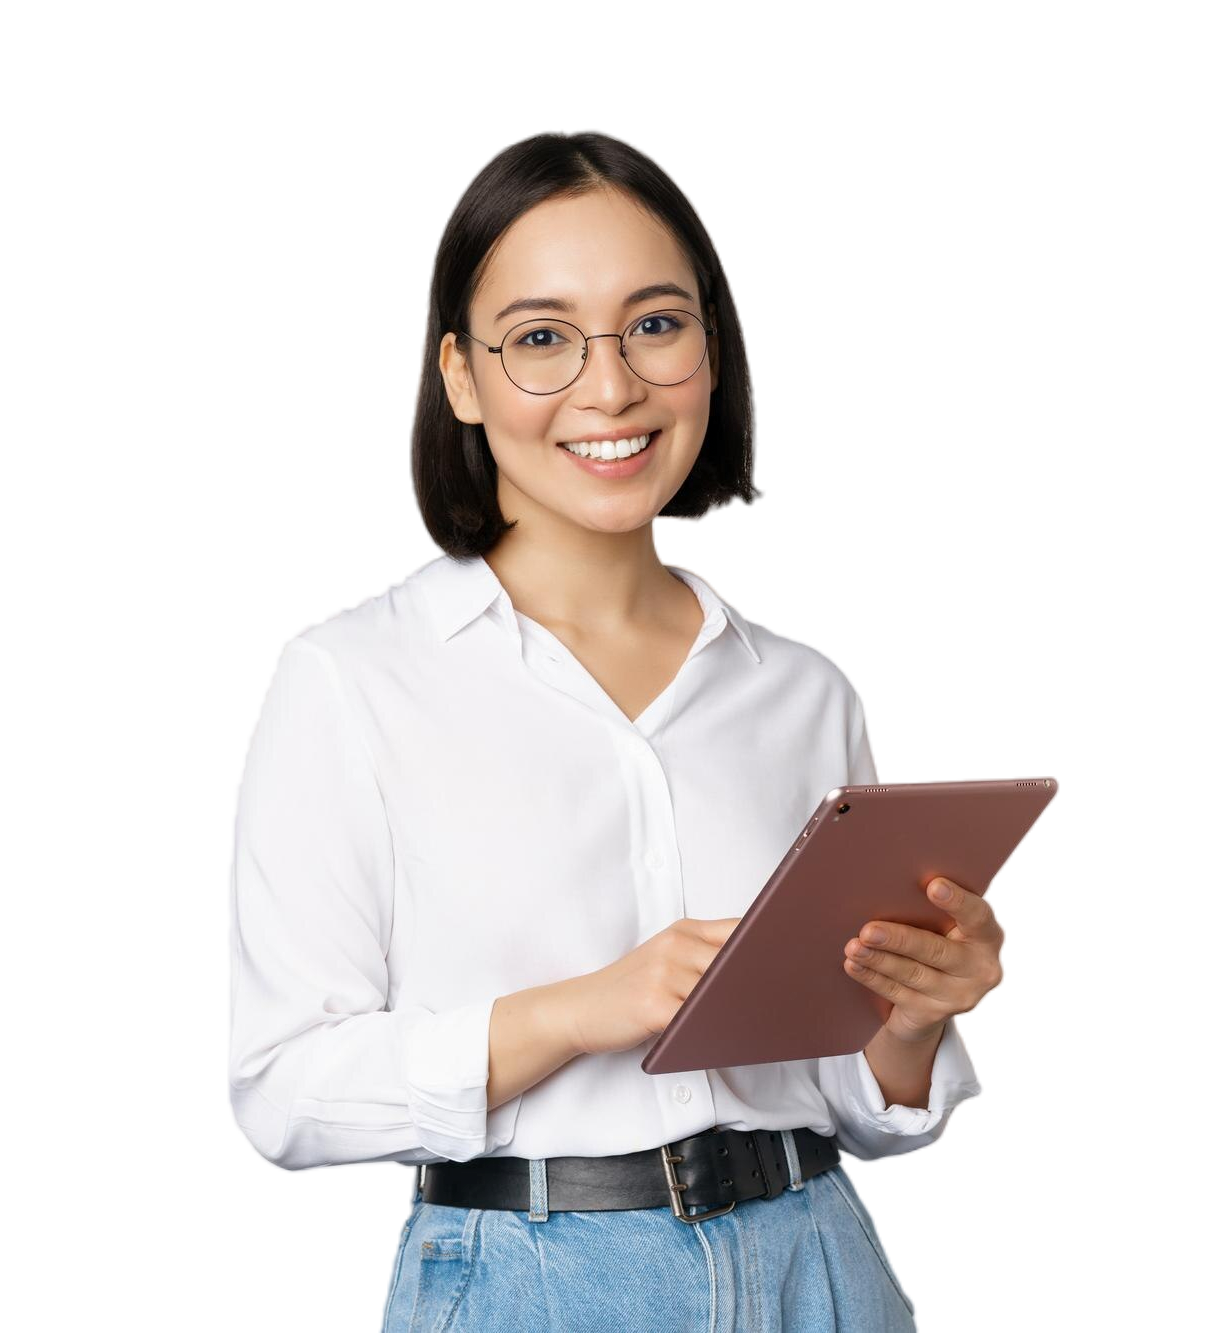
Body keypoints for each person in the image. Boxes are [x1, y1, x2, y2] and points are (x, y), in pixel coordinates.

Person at [229, 132, 1003, 1330]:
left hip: (820, 1263)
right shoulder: (349, 681)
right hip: (526, 1282)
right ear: (460, 377)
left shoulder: (812, 688)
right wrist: (587, 1008)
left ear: (709, 348)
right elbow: (282, 1097)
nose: (610, 389)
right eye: (541, 338)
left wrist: (908, 1022)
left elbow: (855, 1103)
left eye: (655, 324)